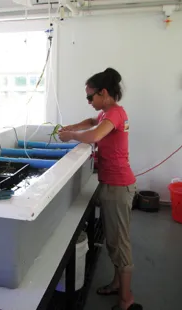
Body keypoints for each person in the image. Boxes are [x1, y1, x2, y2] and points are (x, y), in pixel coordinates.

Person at [58, 68, 141, 310]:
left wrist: (71, 135)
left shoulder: (114, 114)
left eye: (90, 97)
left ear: (103, 93)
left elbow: (94, 134)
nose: (88, 101)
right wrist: (71, 126)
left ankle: (126, 300)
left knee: (120, 243)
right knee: (115, 241)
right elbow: (92, 122)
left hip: (118, 186)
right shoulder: (109, 112)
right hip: (113, 184)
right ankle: (118, 284)